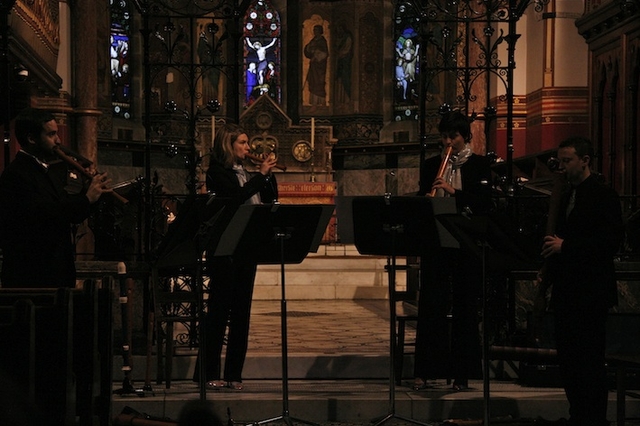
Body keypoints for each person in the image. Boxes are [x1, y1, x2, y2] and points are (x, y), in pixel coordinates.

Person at [539, 136, 623, 425]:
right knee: (569, 361)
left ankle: (593, 419)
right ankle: (578, 415)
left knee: (589, 362)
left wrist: (567, 247)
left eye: (567, 161)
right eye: (560, 161)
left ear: (585, 161)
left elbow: (611, 242)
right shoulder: (564, 196)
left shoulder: (603, 195)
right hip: (566, 291)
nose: (562, 167)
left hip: (590, 292)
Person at [412, 110, 494, 391]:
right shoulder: (431, 165)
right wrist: (426, 199)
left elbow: (485, 204)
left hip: (466, 244)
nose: (448, 142)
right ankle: (426, 370)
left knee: (465, 308)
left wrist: (453, 191)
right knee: (431, 306)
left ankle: (462, 374)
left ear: (466, 136)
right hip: (436, 242)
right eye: (444, 136)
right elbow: (422, 196)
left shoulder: (480, 166)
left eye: (454, 136)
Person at [194, 123, 278, 391]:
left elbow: (268, 198)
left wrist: (268, 176)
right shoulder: (217, 173)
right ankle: (207, 373)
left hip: (246, 247)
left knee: (242, 313)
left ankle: (234, 374)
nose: (248, 148)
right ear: (228, 146)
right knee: (218, 312)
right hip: (224, 248)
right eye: (242, 143)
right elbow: (235, 200)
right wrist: (259, 177)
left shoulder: (246, 172)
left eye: (247, 143)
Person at [0, 108, 111, 288]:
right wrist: (86, 199)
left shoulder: (46, 171)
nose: (58, 141)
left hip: (55, 273)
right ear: (31, 139)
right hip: (32, 277)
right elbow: (47, 214)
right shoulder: (16, 175)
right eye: (51, 135)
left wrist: (90, 191)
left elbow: (71, 213)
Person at [303, 25, 328, 105]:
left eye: (316, 30)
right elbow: (308, 51)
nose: (314, 32)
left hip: (320, 66)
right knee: (313, 81)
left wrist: (316, 55)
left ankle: (320, 101)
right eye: (314, 30)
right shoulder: (313, 40)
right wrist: (309, 49)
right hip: (313, 65)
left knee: (319, 82)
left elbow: (325, 53)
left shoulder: (322, 41)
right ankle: (313, 101)